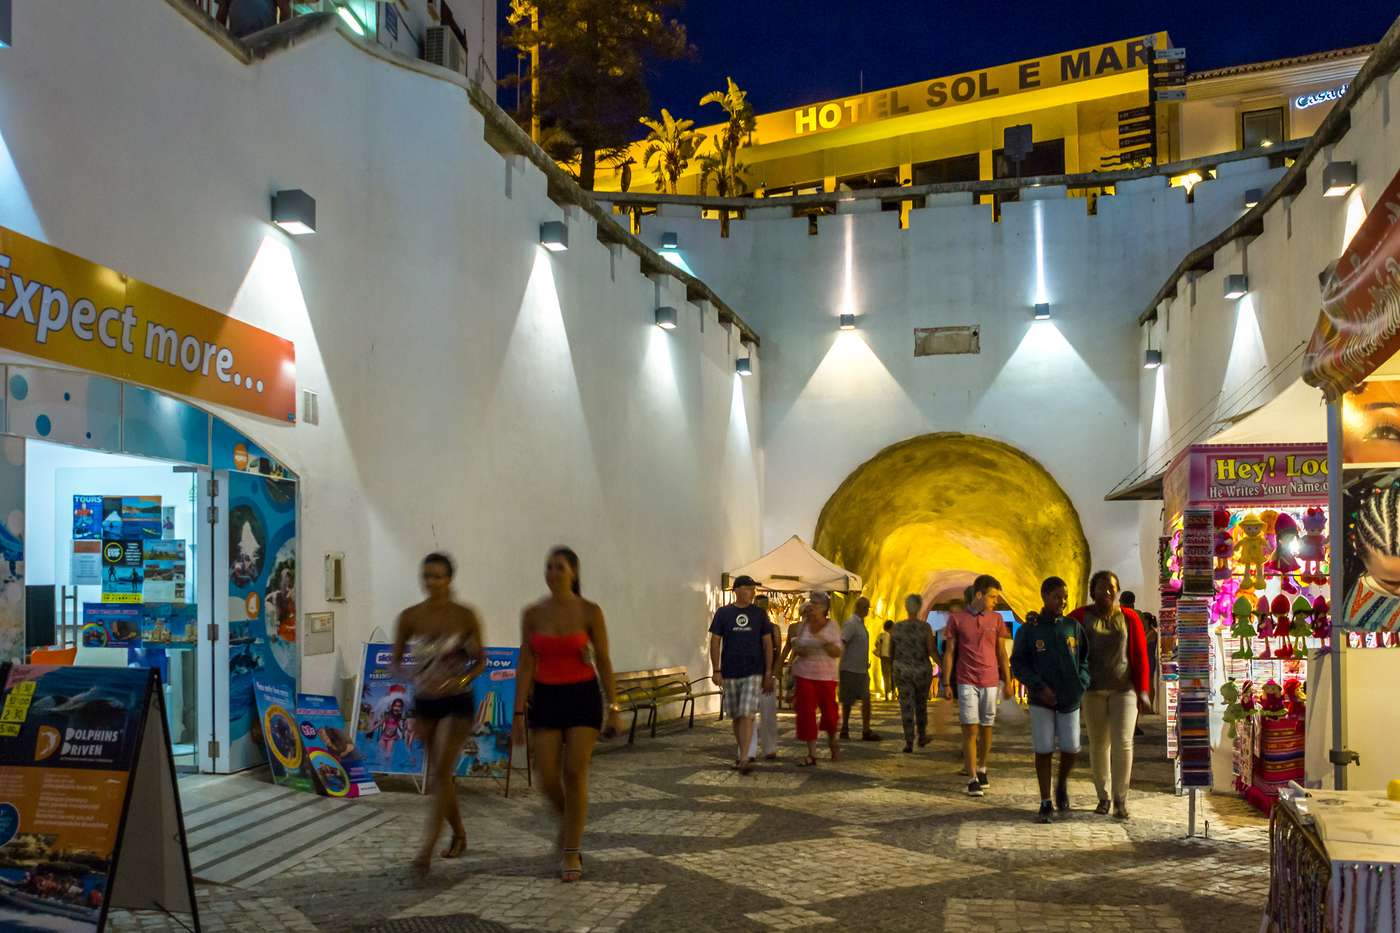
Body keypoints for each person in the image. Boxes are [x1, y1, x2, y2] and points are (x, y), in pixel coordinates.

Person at [512, 547, 623, 882]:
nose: (553, 573)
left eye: (560, 567)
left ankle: (571, 850)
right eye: (548, 567)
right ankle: (569, 823)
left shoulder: (590, 611)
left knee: (574, 772)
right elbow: (527, 661)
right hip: (546, 697)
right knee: (546, 776)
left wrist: (614, 708)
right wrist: (518, 711)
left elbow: (603, 659)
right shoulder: (533, 613)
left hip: (582, 697)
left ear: (574, 572)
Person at [392, 553, 486, 873]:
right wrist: (414, 678)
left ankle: (427, 848)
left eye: (438, 576)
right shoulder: (410, 617)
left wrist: (458, 679)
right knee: (440, 774)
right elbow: (395, 660)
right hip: (425, 700)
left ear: (450, 579)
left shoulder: (465, 616)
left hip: (458, 699)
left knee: (441, 771)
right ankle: (459, 833)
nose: (431, 582)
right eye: (426, 576)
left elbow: (480, 662)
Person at [1070, 570, 1151, 820]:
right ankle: (1103, 796)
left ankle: (1120, 799)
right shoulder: (1080, 617)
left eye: (1111, 588)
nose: (1106, 592)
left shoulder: (1129, 618)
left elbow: (1139, 654)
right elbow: (1069, 649)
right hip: (1092, 691)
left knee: (1124, 743)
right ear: (1092, 591)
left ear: (1117, 591)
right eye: (1101, 588)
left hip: (1123, 689)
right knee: (1099, 744)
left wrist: (1144, 690)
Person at [1011, 577, 1091, 823]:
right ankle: (1045, 800)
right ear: (1044, 596)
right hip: (1041, 698)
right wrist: (1036, 685)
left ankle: (1062, 783)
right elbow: (1019, 662)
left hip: (1070, 697)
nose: (1063, 601)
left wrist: (1081, 682)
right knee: (1044, 748)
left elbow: (1085, 658)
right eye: (1057, 596)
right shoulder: (1030, 629)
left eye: (1065, 596)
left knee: (1071, 747)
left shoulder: (1072, 627)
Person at [942, 575, 1012, 797]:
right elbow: (950, 652)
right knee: (970, 727)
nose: (995, 601)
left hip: (990, 679)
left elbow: (1001, 652)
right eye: (992, 596)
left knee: (987, 727)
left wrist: (1008, 680)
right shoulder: (957, 619)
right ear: (979, 595)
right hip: (966, 679)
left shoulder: (997, 619)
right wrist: (946, 682)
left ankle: (982, 767)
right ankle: (972, 777)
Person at [709, 575, 775, 773]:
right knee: (736, 716)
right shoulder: (723, 613)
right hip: (730, 671)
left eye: (751, 589)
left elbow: (767, 643)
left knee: (747, 713)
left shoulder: (759, 615)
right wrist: (716, 669)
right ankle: (743, 753)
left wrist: (768, 671)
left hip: (753, 671)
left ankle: (744, 757)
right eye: (745, 588)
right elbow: (715, 641)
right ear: (735, 590)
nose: (749, 592)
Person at [779, 592, 842, 766]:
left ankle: (832, 742)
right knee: (806, 712)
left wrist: (825, 644)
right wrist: (799, 650)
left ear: (824, 608)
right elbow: (796, 646)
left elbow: (837, 652)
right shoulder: (803, 626)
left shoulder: (832, 626)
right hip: (805, 673)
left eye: (816, 603)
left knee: (829, 714)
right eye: (811, 602)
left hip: (826, 675)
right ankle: (812, 753)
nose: (812, 605)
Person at [891, 594, 938, 753]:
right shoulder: (925, 628)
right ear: (918, 608)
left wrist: (895, 666)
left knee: (906, 705)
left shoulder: (896, 627)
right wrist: (943, 664)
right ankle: (922, 736)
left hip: (902, 671)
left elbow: (892, 651)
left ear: (906, 607)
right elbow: (931, 650)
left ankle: (909, 741)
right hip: (921, 671)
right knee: (920, 704)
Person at [838, 597, 882, 742]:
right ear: (858, 607)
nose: (867, 611)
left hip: (861, 670)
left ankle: (866, 730)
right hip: (849, 669)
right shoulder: (851, 624)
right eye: (865, 608)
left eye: (868, 608)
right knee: (847, 701)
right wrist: (838, 665)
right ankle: (844, 728)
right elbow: (842, 642)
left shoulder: (861, 625)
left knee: (866, 699)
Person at [749, 595, 782, 761]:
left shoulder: (774, 628)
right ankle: (749, 750)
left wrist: (772, 675)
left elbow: (778, 654)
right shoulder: (749, 627)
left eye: (764, 606)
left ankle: (770, 748)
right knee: (748, 714)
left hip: (767, 676)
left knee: (768, 714)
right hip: (750, 674)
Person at [214, 0, 290, 38]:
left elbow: (284, 10)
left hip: (265, 42)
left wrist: (282, 38)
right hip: (237, 43)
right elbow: (222, 12)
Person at [874, 620, 895, 701]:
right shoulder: (894, 636)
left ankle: (886, 695)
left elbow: (876, 644)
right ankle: (893, 694)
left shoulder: (881, 635)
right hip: (893, 658)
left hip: (884, 658)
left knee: (886, 676)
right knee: (893, 676)